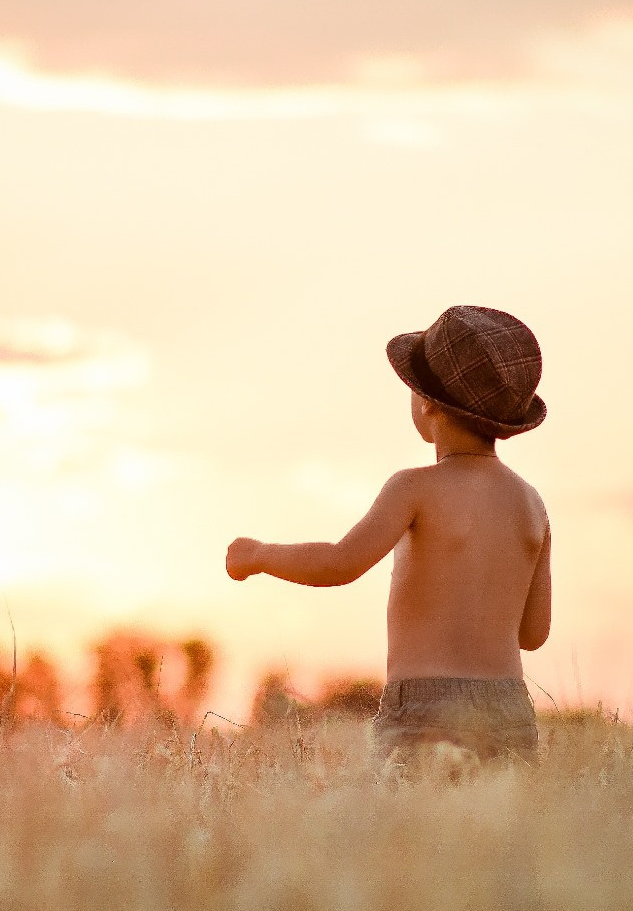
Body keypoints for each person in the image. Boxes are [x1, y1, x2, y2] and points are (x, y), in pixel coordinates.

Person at [226, 305, 551, 764]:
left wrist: (259, 554)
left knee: (413, 832)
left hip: (426, 709)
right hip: (511, 711)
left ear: (428, 403)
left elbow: (340, 564)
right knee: (492, 831)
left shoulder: (414, 488)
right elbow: (534, 634)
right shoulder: (531, 503)